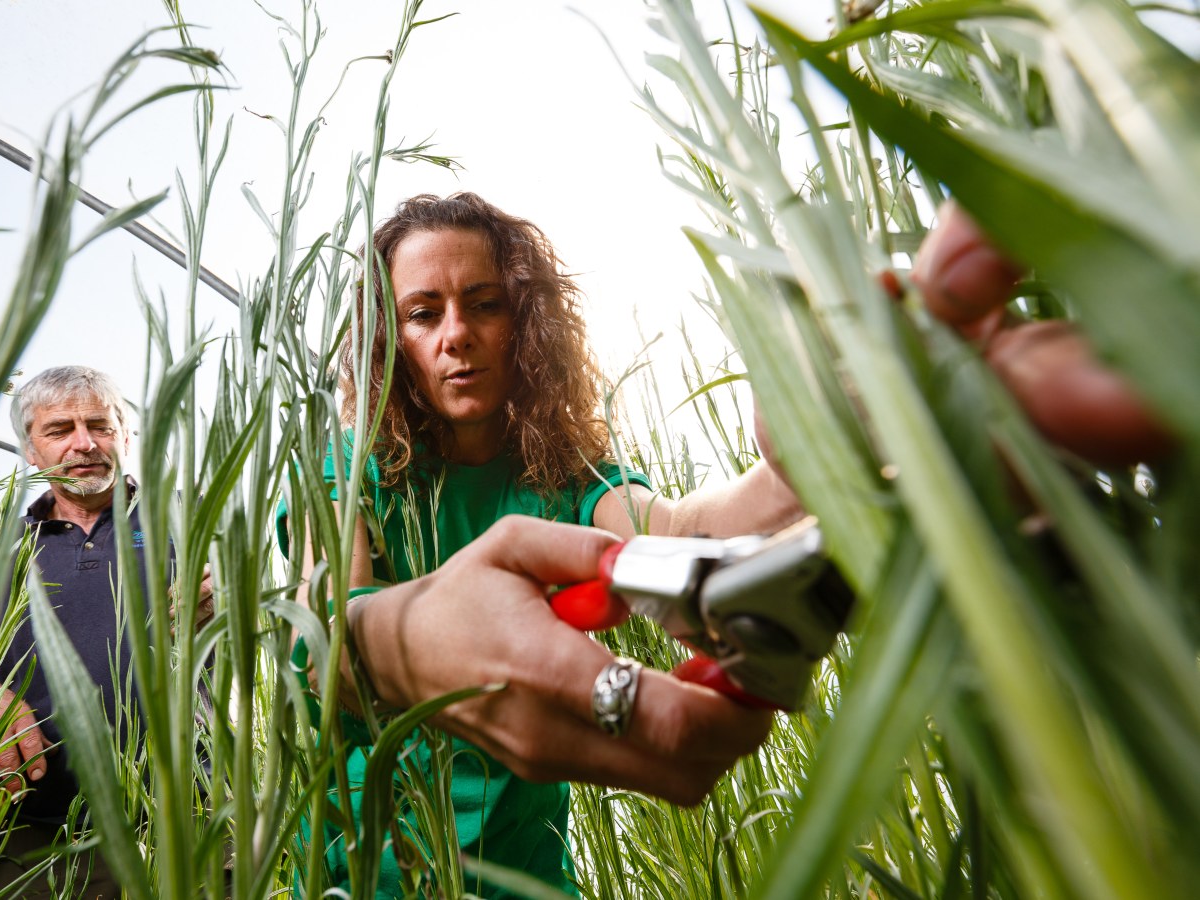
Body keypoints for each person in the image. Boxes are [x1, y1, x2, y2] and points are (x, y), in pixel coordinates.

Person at [283, 192, 1175, 898]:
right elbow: (325, 633)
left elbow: (673, 532)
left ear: (522, 322)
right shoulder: (350, 470)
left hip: (525, 877)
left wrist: (805, 462)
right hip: (364, 871)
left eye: (482, 304)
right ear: (388, 339)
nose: (456, 335)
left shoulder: (561, 473)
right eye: (421, 313)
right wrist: (403, 644)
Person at [0, 366, 213, 899]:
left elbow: (270, 621)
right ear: (30, 451)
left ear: (125, 435)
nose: (84, 443)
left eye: (100, 425)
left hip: (184, 818)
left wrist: (231, 600)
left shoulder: (189, 525)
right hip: (29, 834)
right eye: (59, 430)